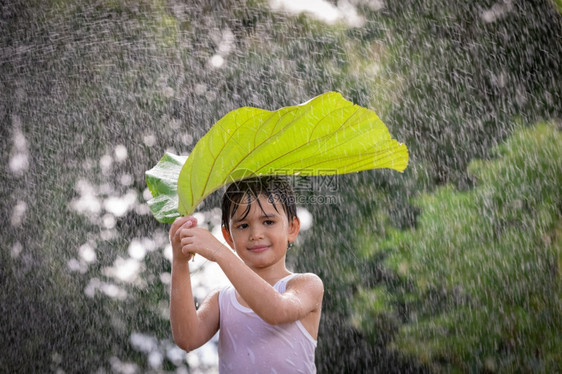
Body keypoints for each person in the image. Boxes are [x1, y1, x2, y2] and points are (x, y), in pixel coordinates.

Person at [169, 176, 324, 373]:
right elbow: (187, 338)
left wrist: (219, 252)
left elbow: (276, 311)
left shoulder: (306, 285)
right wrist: (180, 261)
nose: (256, 234)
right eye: (243, 226)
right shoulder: (221, 299)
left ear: (292, 228)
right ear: (229, 237)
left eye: (268, 222)